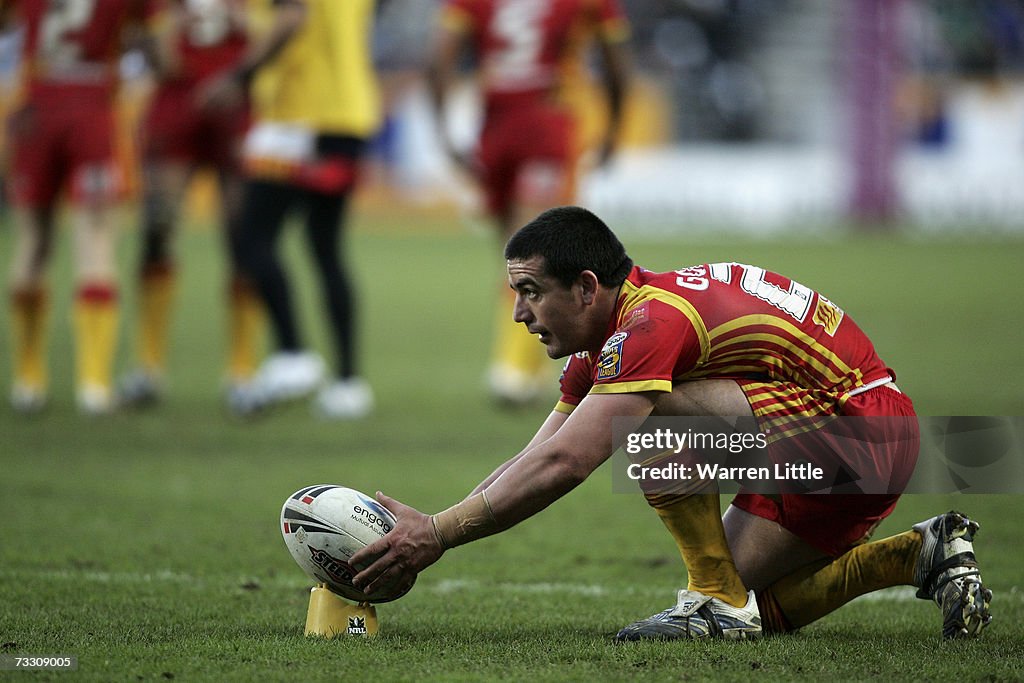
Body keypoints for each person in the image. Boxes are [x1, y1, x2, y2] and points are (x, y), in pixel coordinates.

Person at [350, 205, 993, 640]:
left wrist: (438, 535)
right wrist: (437, 524)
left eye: (529, 291)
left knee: (642, 428)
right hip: (832, 436)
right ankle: (918, 554)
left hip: (865, 433)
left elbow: (568, 463)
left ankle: (710, 596)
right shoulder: (615, 339)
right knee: (758, 610)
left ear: (585, 288)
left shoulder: (652, 324)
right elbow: (536, 457)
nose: (518, 313)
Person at [428, 0, 631, 406]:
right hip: (549, 118)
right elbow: (616, 65)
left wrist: (444, 133)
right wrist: (614, 128)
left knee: (515, 246)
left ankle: (524, 365)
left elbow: (438, 61)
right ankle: (516, 370)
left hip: (496, 123)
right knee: (536, 250)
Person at [209, 0, 379, 418]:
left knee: (250, 237)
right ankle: (347, 383)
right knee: (325, 247)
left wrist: (238, 75)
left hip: (297, 117)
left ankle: (292, 354)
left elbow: (291, 17)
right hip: (348, 116)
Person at [3, 0, 150, 414]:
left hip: (35, 106)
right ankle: (94, 384)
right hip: (92, 108)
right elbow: (155, 33)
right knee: (97, 242)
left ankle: (27, 379)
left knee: (32, 243)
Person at [118, 0, 263, 408]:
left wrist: (244, 24)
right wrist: (154, 39)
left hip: (238, 97)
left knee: (243, 237)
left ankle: (242, 369)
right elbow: (132, 29)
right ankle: (148, 365)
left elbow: (285, 23)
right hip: (175, 99)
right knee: (157, 226)